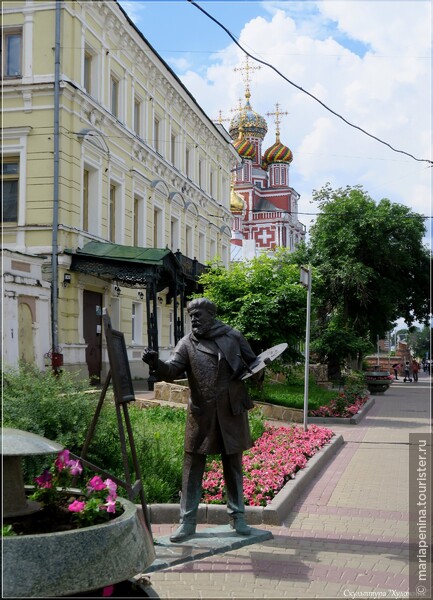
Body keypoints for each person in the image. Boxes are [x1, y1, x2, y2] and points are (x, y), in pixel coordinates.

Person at [142, 298, 259, 543]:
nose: (194, 319)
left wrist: (261, 371)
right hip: (201, 414)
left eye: (198, 315)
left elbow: (254, 364)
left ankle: (238, 516)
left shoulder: (233, 336)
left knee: (233, 466)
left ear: (211, 314)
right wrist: (156, 363)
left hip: (231, 412)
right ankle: (187, 522)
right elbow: (173, 370)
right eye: (191, 316)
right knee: (192, 467)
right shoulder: (187, 343)